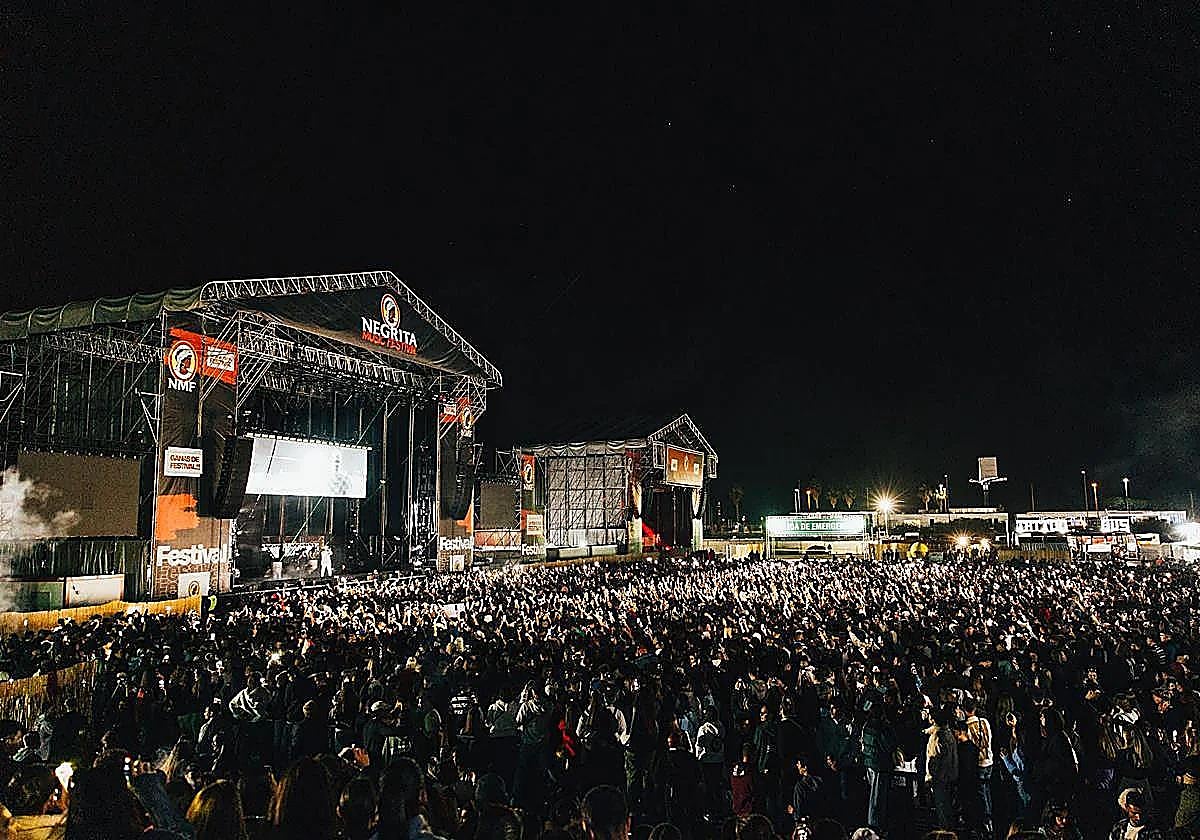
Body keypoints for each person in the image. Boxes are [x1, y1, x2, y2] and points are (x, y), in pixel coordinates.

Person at [925, 705, 958, 830]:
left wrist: (929, 779)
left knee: (942, 809)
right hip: (950, 776)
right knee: (949, 808)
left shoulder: (937, 738)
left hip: (940, 779)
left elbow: (933, 760)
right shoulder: (950, 735)